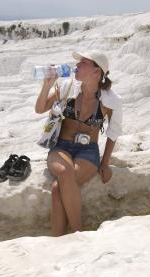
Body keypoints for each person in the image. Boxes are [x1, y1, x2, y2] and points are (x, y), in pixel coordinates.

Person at [35, 50, 123, 236]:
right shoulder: (66, 86)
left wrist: (105, 164)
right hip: (61, 147)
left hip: (88, 152)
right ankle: (78, 234)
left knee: (59, 187)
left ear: (96, 72)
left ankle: (62, 239)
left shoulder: (111, 101)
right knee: (65, 173)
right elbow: (39, 108)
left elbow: (113, 133)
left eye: (83, 63)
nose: (77, 66)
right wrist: (47, 85)